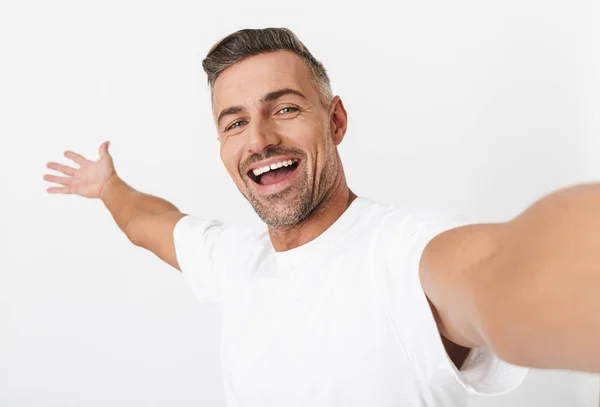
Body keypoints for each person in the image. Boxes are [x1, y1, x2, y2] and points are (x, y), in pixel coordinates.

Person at [43, 28, 600, 406]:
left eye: (284, 108)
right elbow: (151, 223)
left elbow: (503, 270)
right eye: (235, 123)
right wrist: (108, 186)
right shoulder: (235, 261)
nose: (260, 139)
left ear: (335, 120)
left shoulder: (405, 251)